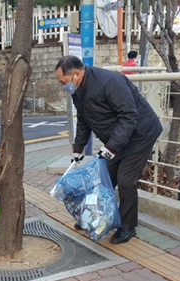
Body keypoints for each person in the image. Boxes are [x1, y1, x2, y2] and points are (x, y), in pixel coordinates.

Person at [55, 55, 162, 245]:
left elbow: (129, 115)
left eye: (64, 82)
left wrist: (111, 147)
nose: (64, 86)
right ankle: (95, 218)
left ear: (77, 74)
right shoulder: (77, 90)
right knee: (104, 177)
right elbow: (84, 120)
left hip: (140, 134)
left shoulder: (109, 82)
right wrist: (78, 149)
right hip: (117, 139)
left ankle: (128, 227)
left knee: (125, 180)